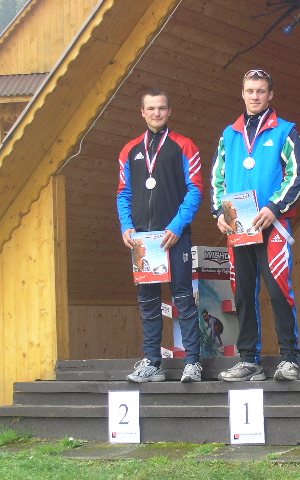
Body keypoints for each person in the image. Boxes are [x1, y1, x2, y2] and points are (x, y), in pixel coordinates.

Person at [210, 69, 300, 382]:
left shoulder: (285, 131)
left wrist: (274, 207)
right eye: (250, 91)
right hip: (238, 226)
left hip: (272, 224)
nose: (255, 96)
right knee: (242, 293)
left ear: (270, 95)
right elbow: (217, 178)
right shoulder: (229, 135)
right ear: (242, 93)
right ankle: (248, 360)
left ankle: (289, 358)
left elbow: (296, 174)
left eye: (261, 91)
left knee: (279, 291)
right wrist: (219, 211)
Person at [117, 88, 204, 383]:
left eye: (162, 108)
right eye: (151, 108)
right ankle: (152, 362)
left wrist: (177, 226)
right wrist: (126, 226)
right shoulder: (129, 150)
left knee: (183, 298)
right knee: (148, 301)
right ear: (142, 112)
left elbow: (195, 189)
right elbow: (124, 193)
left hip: (174, 236)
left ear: (169, 111)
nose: (157, 113)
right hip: (143, 239)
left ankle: (192, 362)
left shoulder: (184, 146)